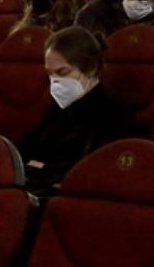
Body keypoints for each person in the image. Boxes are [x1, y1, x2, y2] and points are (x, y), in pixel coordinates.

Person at [16, 27, 140, 193]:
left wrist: (41, 168)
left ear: (91, 69)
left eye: (62, 72)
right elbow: (25, 150)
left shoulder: (114, 116)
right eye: (50, 74)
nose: (55, 82)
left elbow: (94, 170)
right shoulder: (60, 108)